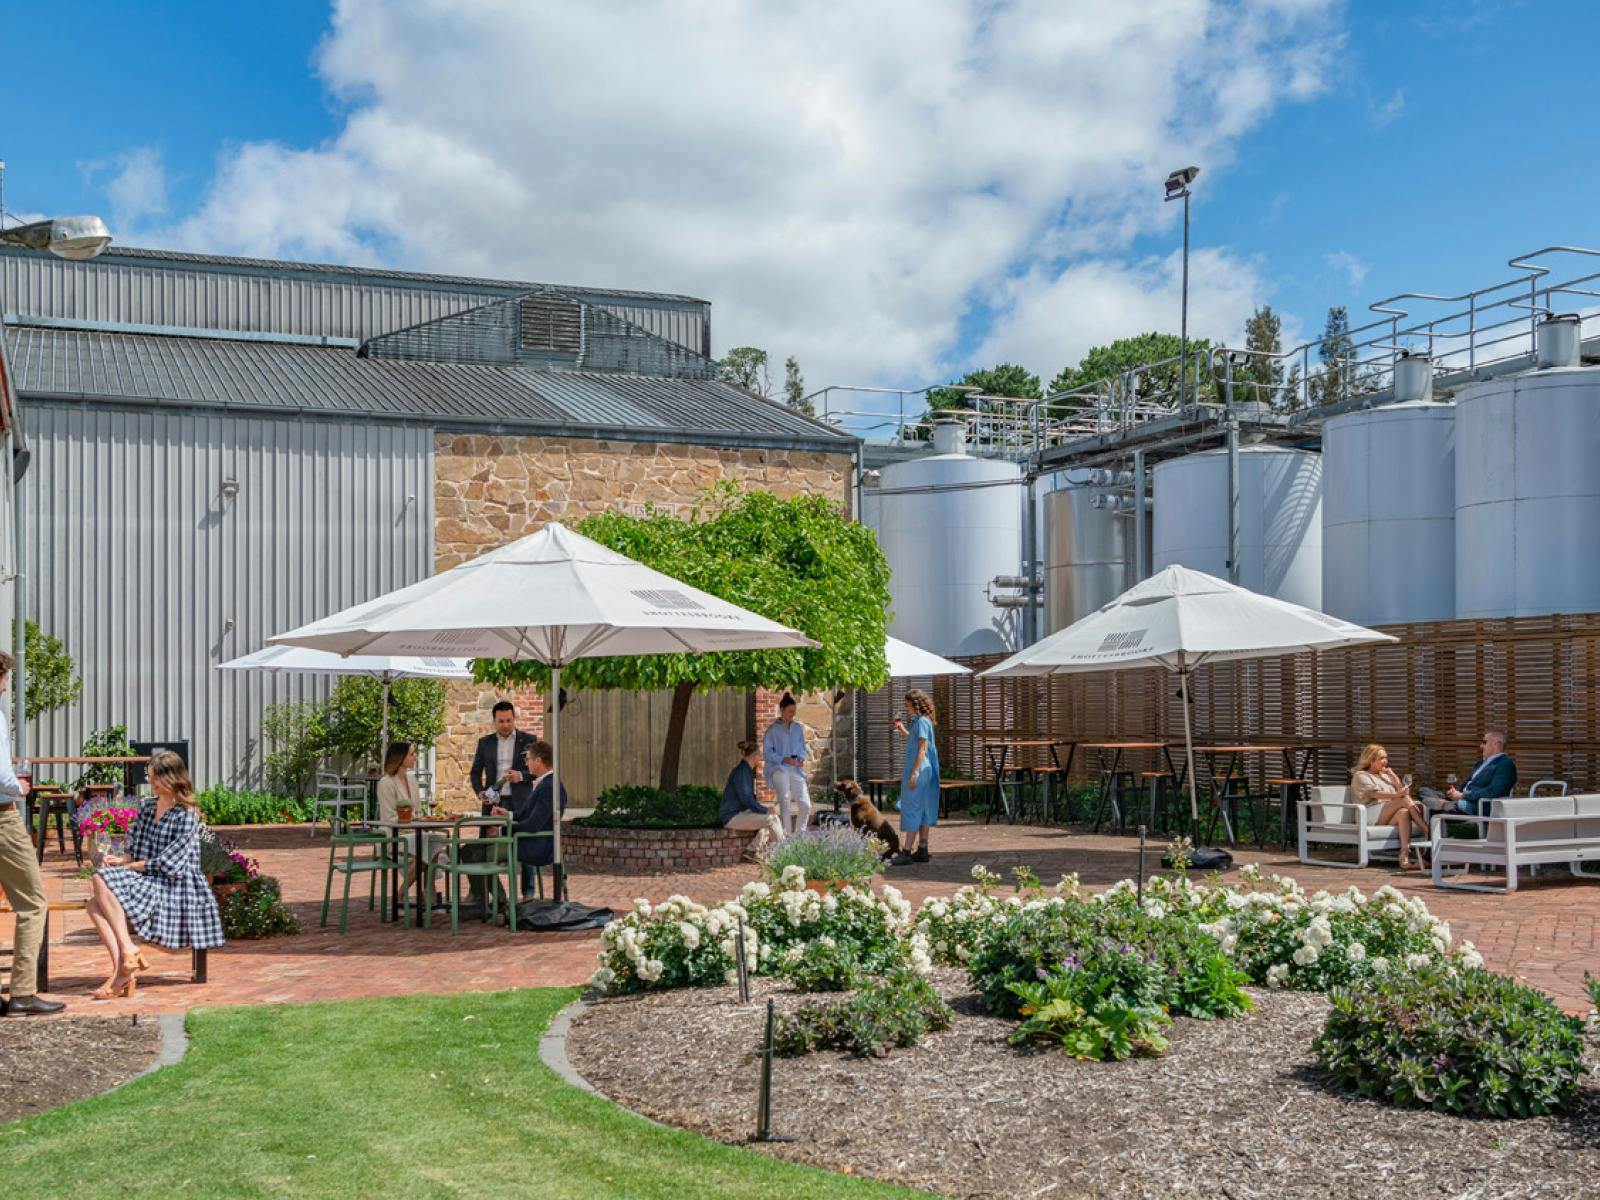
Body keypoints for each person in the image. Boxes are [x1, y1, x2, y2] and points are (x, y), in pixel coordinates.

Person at [86, 750, 224, 999]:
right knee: (93, 903)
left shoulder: (186, 815)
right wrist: (119, 859)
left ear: (171, 778)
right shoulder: (147, 807)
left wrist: (126, 868)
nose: (149, 782)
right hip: (147, 877)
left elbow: (168, 864)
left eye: (154, 778)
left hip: (173, 884)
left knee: (98, 883)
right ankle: (125, 963)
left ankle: (124, 965)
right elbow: (134, 849)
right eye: (149, 777)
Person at [0, 650, 64, 1016]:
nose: (8, 684)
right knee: (32, 902)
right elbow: (1, 775)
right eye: (7, 676)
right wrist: (19, 788)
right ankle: (23, 992)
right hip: (2, 819)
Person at [489, 739, 567, 899]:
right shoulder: (544, 783)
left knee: (472, 854)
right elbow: (526, 815)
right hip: (532, 841)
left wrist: (502, 830)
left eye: (528, 759)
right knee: (473, 852)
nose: (526, 763)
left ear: (538, 761)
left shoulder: (549, 787)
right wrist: (507, 814)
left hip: (538, 846)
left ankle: (499, 900)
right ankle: (496, 900)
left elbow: (533, 825)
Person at [1350, 744, 1428, 871]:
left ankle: (1404, 856)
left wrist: (1393, 777)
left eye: (1386, 758)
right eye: (1381, 758)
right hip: (1369, 814)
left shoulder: (1385, 775)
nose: (1385, 761)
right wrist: (1398, 795)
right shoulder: (1361, 775)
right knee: (1403, 800)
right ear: (1371, 760)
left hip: (1385, 813)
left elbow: (1402, 791)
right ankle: (1427, 830)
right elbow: (1375, 794)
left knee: (1403, 812)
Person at [891, 689, 941, 866]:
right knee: (924, 808)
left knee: (912, 808)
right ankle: (922, 850)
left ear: (915, 703)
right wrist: (903, 729)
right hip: (926, 770)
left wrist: (914, 772)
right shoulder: (923, 721)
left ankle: (906, 852)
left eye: (907, 704)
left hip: (919, 770)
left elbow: (922, 748)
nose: (906, 707)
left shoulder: (920, 722)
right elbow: (917, 740)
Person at [471, 701, 537, 816]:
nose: (505, 725)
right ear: (494, 721)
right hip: (492, 802)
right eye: (501, 721)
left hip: (521, 802)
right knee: (491, 834)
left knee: (518, 834)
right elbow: (475, 773)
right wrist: (480, 792)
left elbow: (537, 770)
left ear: (514, 718)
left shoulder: (529, 740)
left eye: (509, 720)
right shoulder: (485, 743)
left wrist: (520, 776)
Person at [720, 740, 782, 859]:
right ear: (754, 756)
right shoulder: (742, 772)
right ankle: (786, 853)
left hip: (740, 813)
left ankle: (752, 850)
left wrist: (764, 810)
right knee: (772, 819)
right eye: (759, 754)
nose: (760, 757)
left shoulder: (746, 770)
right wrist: (765, 810)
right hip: (732, 816)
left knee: (769, 820)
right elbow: (747, 799)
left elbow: (748, 800)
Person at [762, 693, 811, 835]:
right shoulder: (772, 730)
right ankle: (787, 838)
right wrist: (783, 759)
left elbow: (802, 747)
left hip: (795, 769)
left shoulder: (797, 728)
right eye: (790, 711)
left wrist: (801, 758)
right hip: (779, 769)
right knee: (785, 802)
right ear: (781, 709)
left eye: (794, 712)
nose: (792, 715)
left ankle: (799, 836)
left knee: (805, 805)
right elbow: (767, 753)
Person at [1446, 729, 1517, 817]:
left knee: (1433, 806)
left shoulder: (1505, 765)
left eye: (1484, 742)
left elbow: (1492, 792)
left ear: (1495, 744)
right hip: (1463, 800)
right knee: (1425, 793)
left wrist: (1463, 796)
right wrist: (1454, 793)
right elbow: (1468, 783)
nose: (1481, 746)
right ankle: (1441, 804)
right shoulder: (1480, 763)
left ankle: (1440, 808)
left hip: (1479, 805)